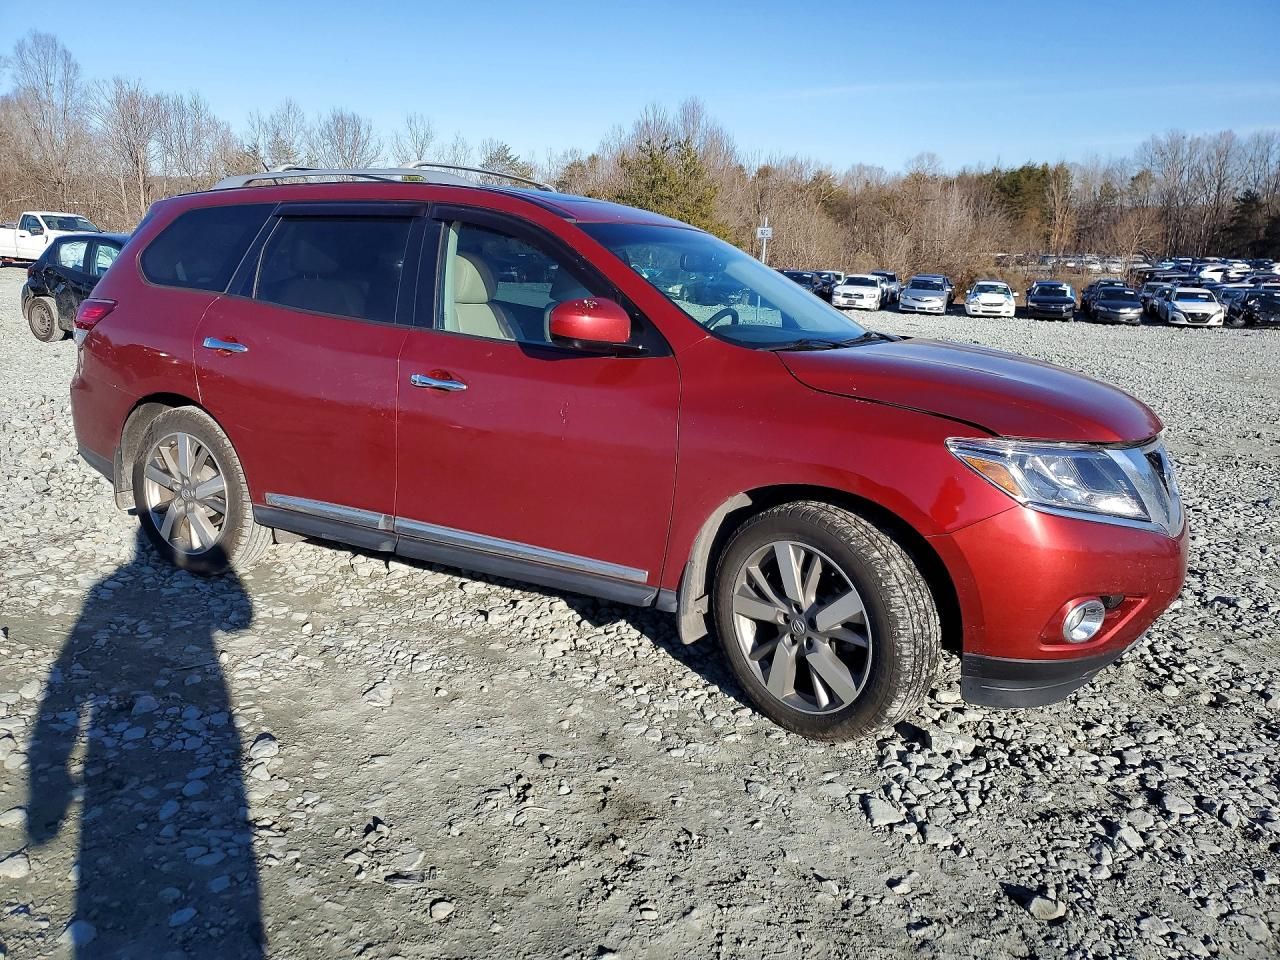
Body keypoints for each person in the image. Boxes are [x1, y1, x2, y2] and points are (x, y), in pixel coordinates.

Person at [27, 529, 264, 958]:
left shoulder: (103, 592)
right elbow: (240, 619)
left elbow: (64, 686)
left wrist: (50, 776)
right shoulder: (109, 593)